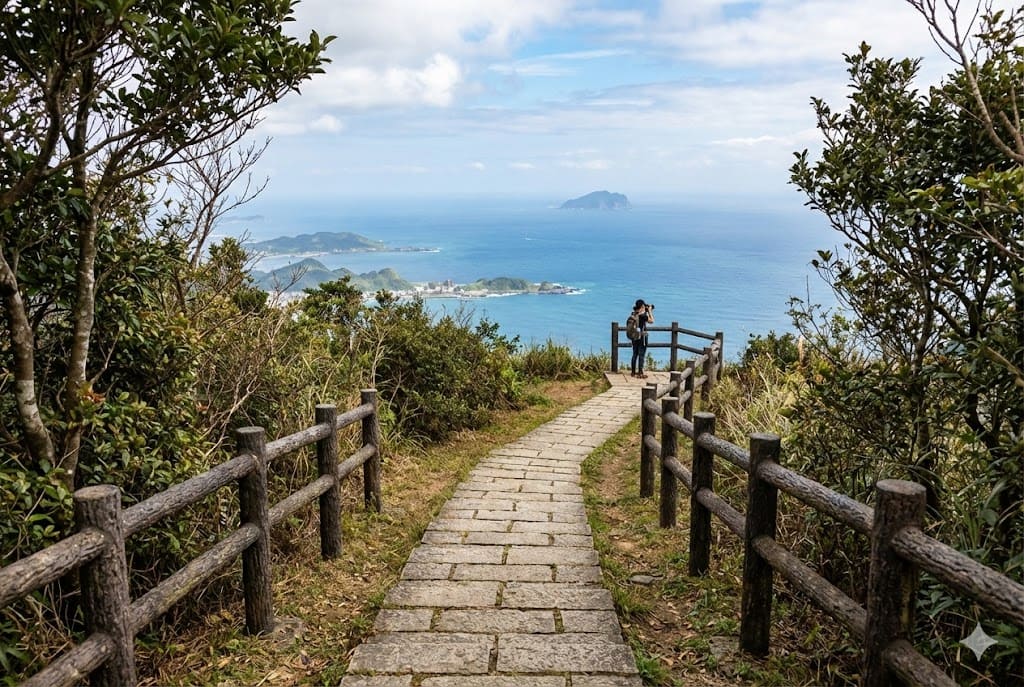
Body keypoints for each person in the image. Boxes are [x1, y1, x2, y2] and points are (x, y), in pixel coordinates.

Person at [630, 298, 653, 378]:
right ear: (642, 306)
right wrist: (649, 311)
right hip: (642, 337)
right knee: (641, 354)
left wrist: (645, 311)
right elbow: (651, 321)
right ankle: (640, 373)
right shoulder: (643, 316)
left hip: (634, 337)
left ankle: (633, 372)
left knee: (635, 354)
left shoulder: (633, 314)